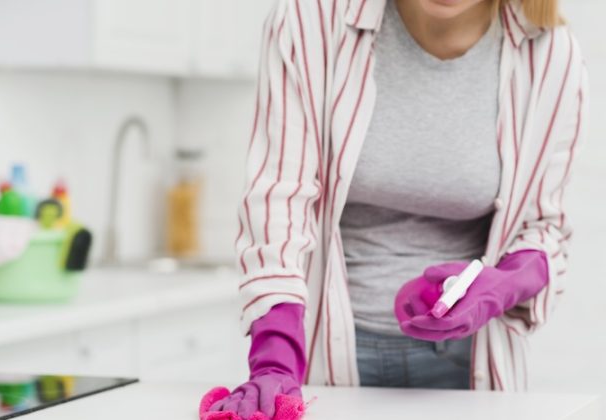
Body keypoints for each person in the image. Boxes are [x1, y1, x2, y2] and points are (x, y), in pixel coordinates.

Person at [206, 0, 588, 418]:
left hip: (469, 363)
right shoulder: (309, 20)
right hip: (324, 352)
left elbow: (543, 226)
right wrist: (275, 354)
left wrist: (504, 284)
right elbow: (278, 197)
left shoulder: (550, 55)